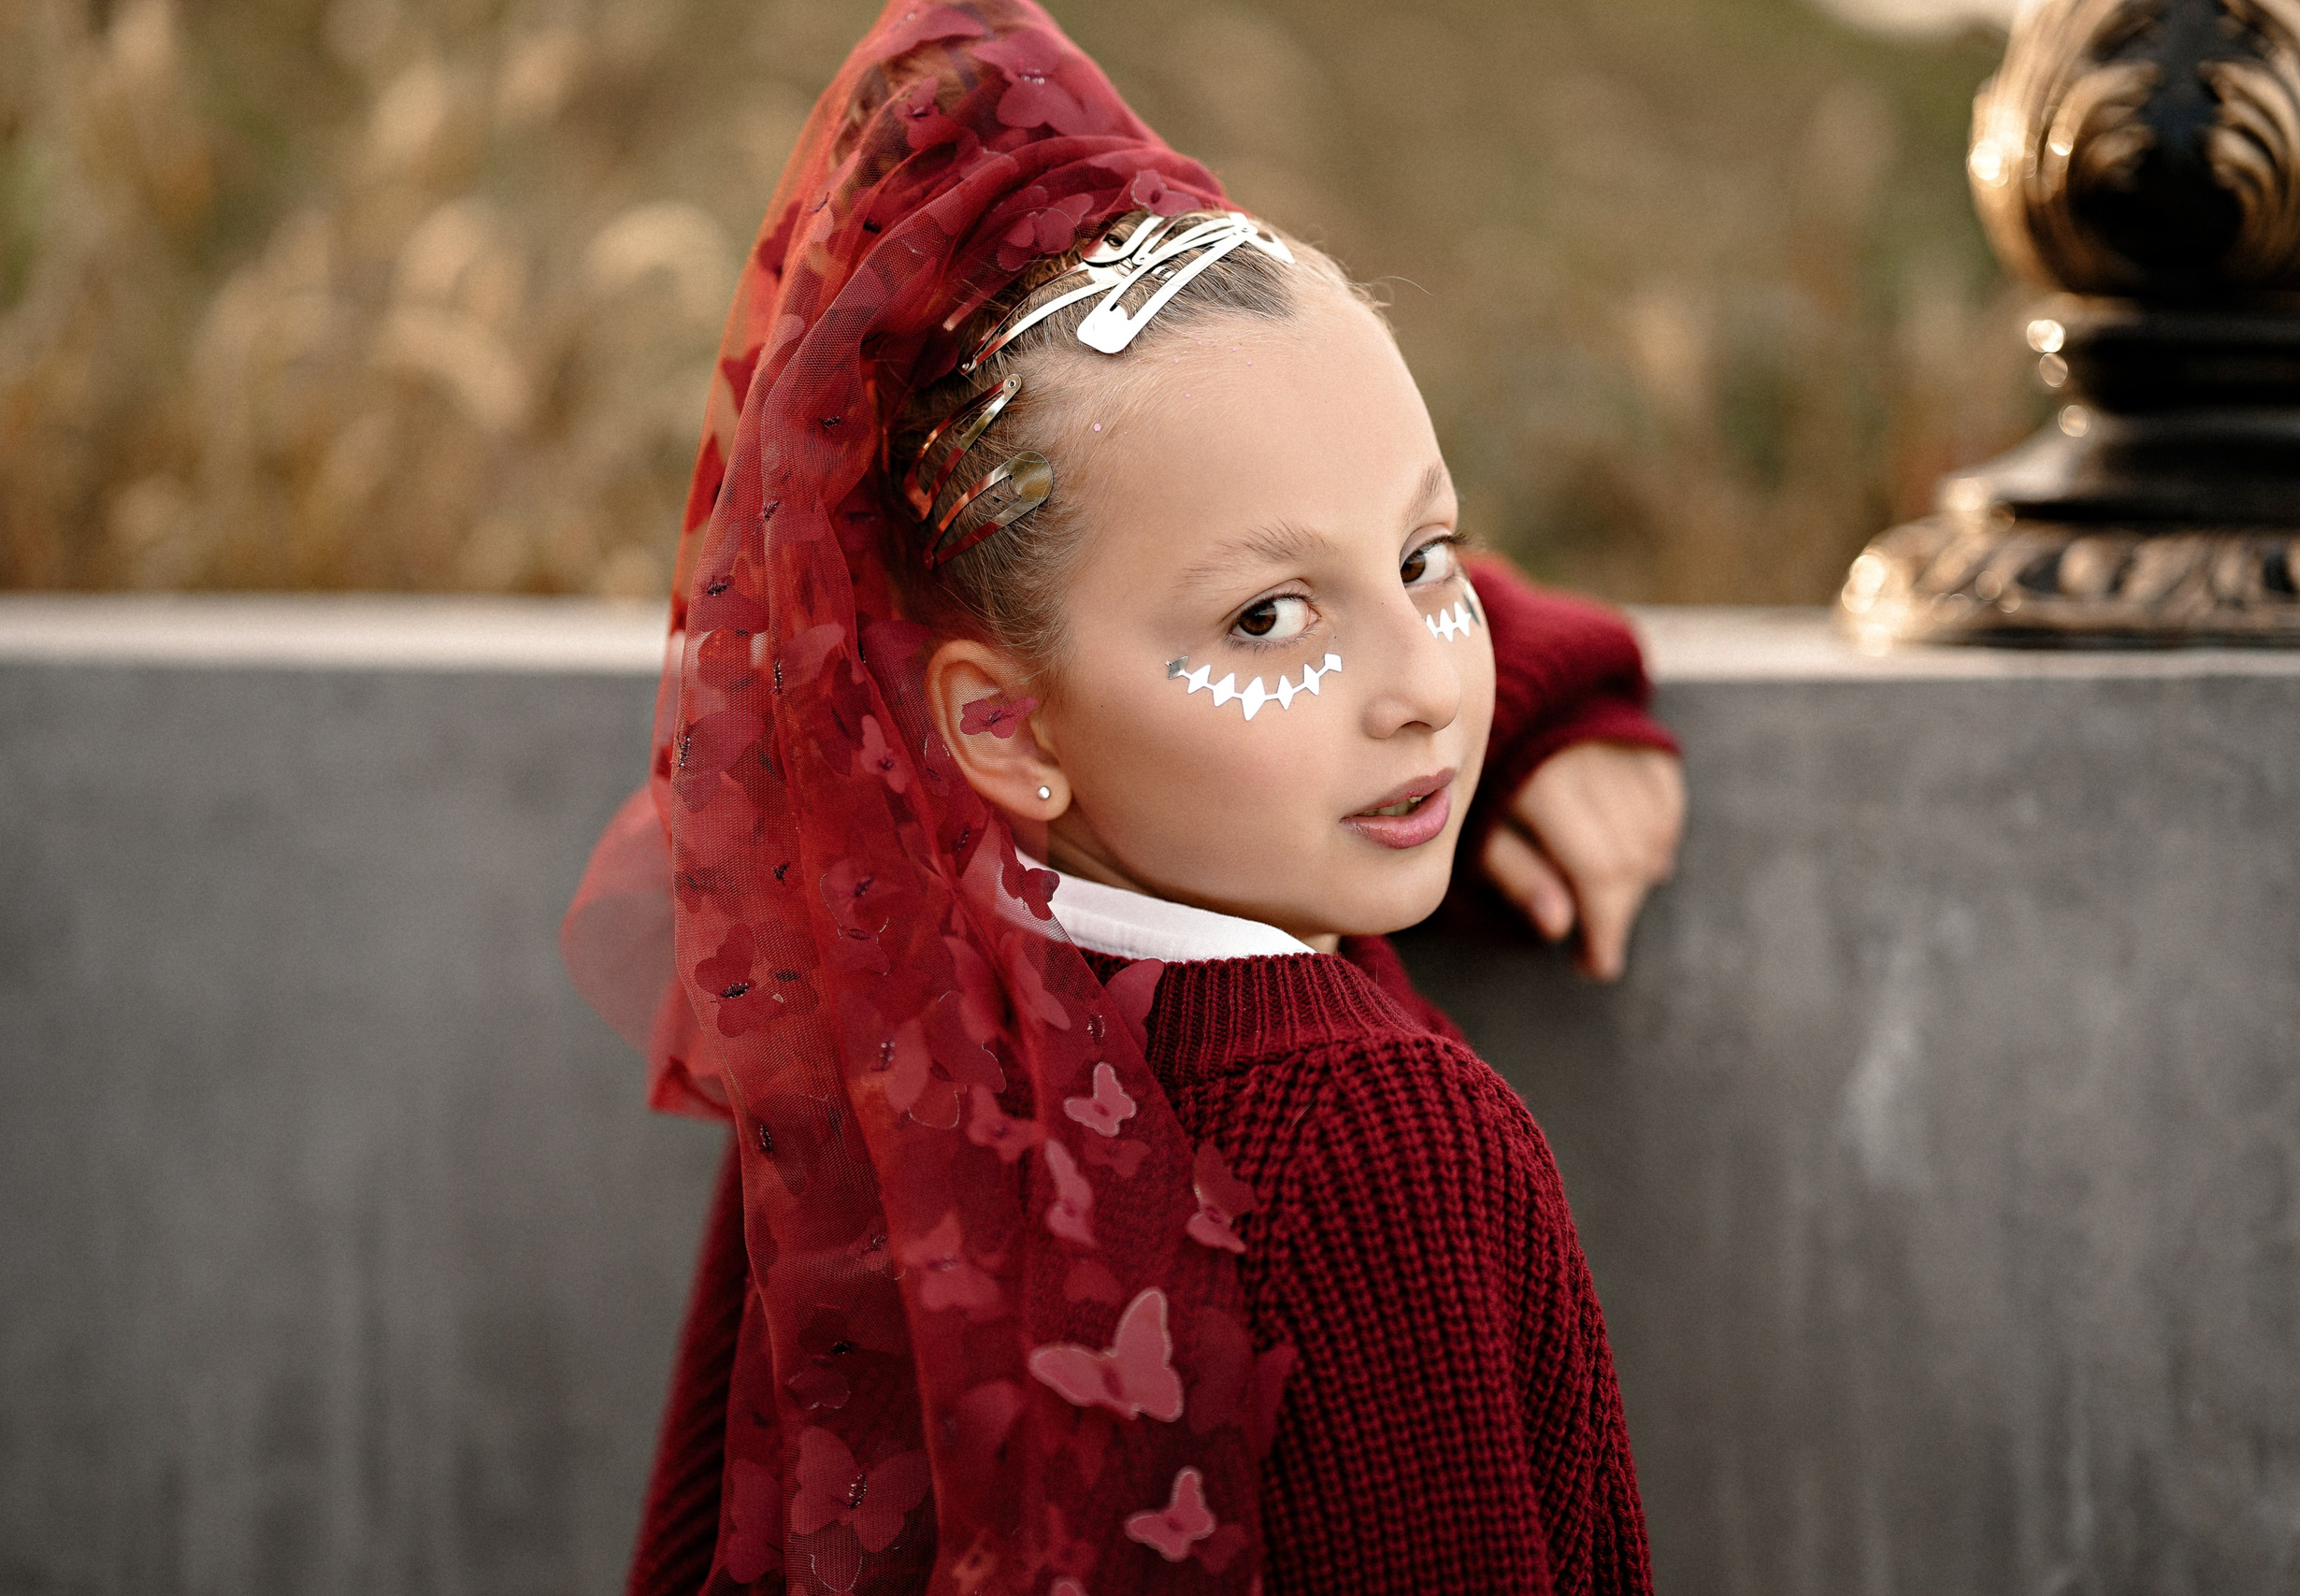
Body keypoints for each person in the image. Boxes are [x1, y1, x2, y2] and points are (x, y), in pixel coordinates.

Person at [562, 4, 1683, 1591]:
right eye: (1269, 619)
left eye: (1428, 557)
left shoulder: (890, 1042)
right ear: (1002, 724)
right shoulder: (1381, 1151)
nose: (1428, 686)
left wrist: (1531, 683)